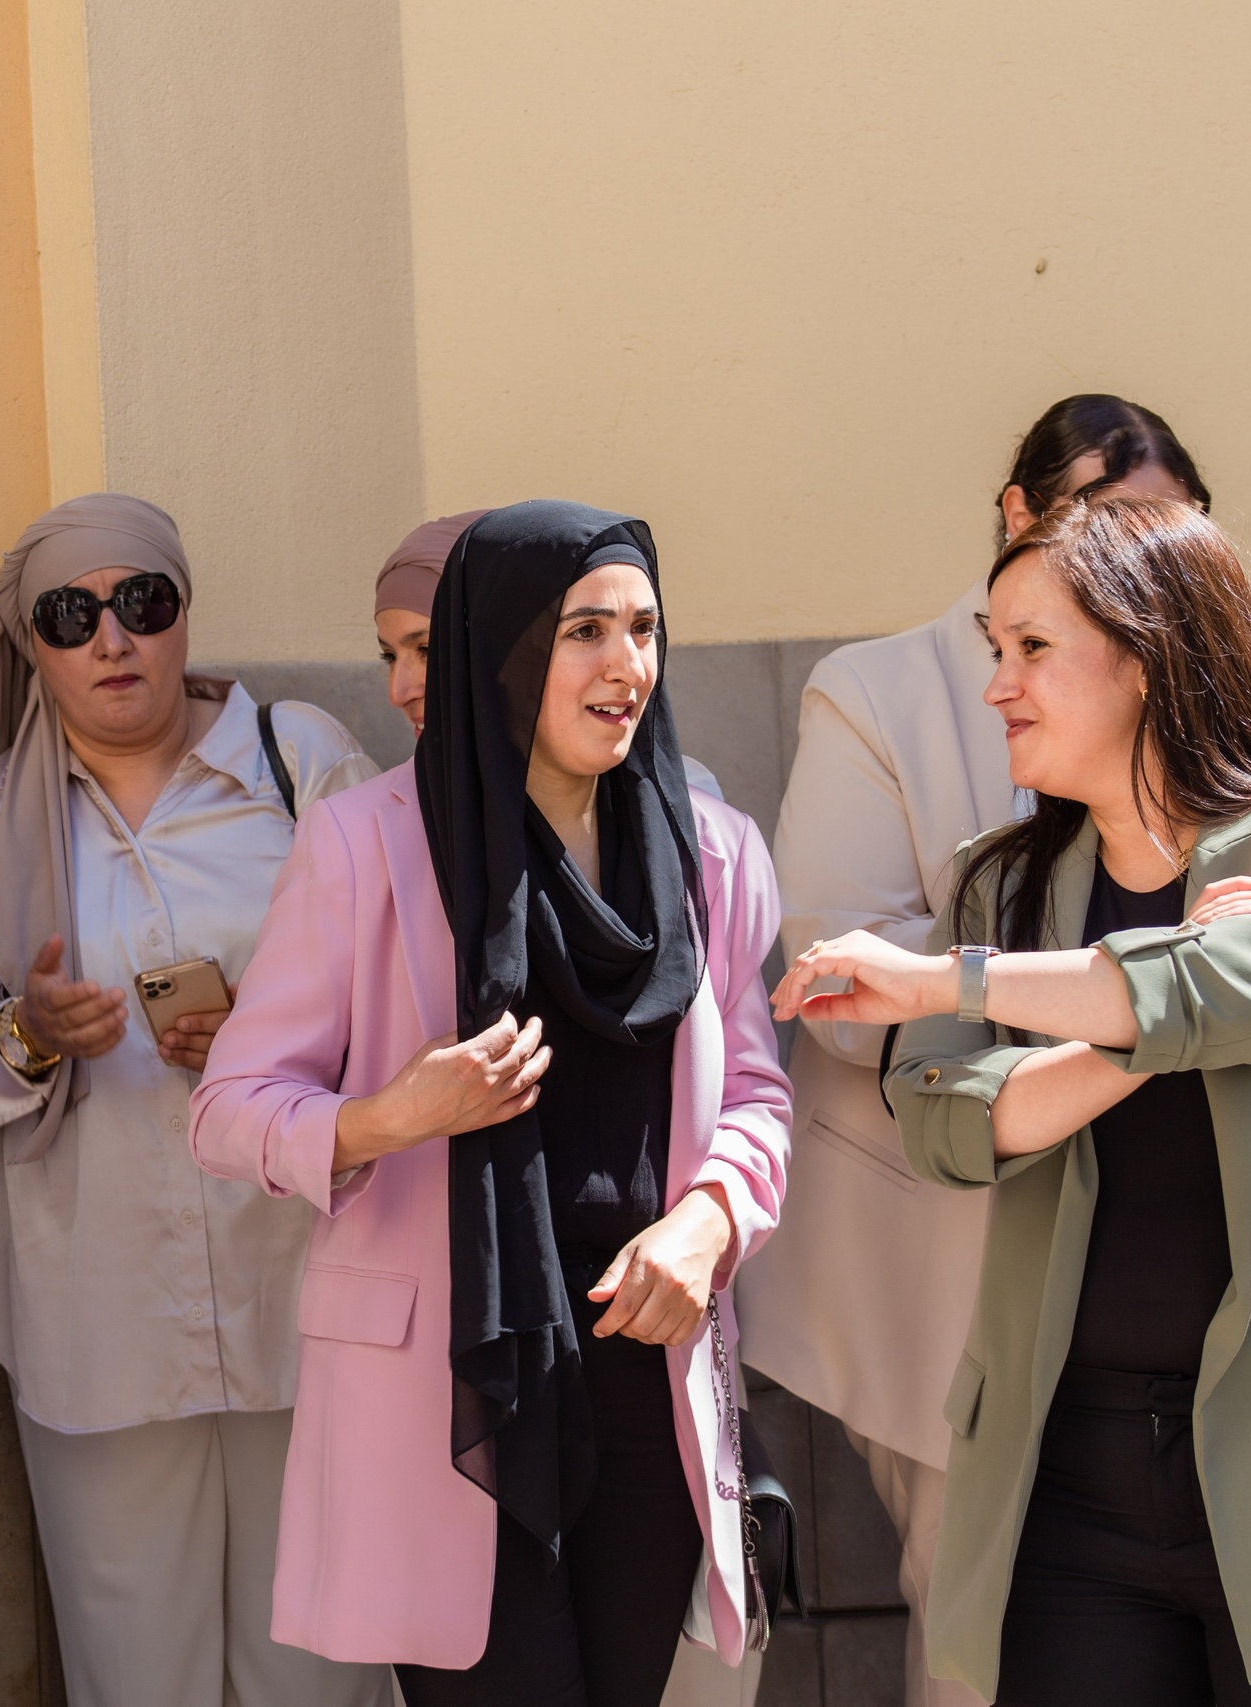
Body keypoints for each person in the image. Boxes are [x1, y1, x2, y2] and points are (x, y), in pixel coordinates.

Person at [774, 495, 1251, 1704]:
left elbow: (1249, 983)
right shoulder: (1001, 886)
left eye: (1031, 647)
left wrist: (951, 981)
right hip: (1065, 1478)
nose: (997, 685)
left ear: (1147, 656)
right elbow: (947, 1122)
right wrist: (1147, 1032)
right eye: (994, 649)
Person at [193, 500, 792, 1704]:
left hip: (647, 1367)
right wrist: (392, 1113)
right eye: (584, 631)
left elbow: (756, 1094)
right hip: (454, 1384)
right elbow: (229, 1110)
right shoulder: (364, 844)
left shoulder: (712, 853)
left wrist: (710, 1220)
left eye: (644, 629)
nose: (625, 666)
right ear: (501, 647)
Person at [748, 393, 1209, 1707]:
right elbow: (837, 970)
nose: (1144, 570)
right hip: (961, 1244)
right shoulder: (881, 688)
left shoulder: (1205, 689)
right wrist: (1121, 999)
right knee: (985, 1635)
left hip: (1181, 1259)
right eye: (1109, 525)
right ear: (1017, 516)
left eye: (1173, 533)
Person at [0, 494, 386, 1707]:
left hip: (303, 1287)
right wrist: (27, 1035)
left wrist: (274, 1039)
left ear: (183, 615)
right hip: (100, 1315)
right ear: (34, 646)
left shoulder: (297, 762)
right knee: (136, 1675)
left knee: (321, 1672)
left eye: (142, 604)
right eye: (72, 616)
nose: (112, 640)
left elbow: (406, 985)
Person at [375, 510, 725, 802]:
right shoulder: (365, 829)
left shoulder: (706, 823)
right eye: (389, 656)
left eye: (429, 650)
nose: (397, 692)